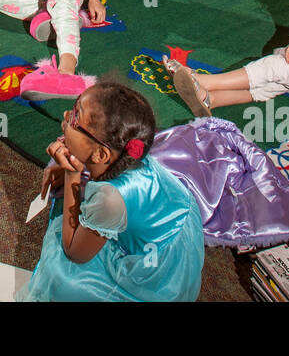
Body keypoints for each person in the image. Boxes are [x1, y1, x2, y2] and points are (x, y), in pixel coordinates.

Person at [19, 82, 204, 302]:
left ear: (100, 155)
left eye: (75, 119)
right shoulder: (123, 156)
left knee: (64, 279)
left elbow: (75, 253)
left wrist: (71, 174)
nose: (66, 115)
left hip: (158, 271)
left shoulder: (110, 199)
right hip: (169, 221)